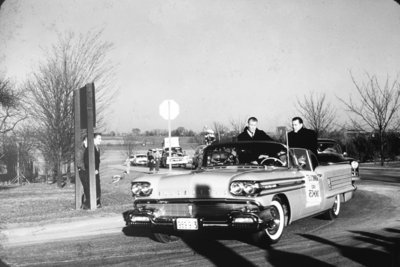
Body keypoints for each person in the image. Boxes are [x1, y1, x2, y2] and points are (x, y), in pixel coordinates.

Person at [84, 132, 103, 208]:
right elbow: (86, 161)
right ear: (93, 139)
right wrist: (93, 169)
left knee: (97, 187)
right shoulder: (90, 149)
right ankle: (89, 204)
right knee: (93, 187)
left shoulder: (97, 148)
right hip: (91, 172)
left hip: (96, 171)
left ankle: (97, 202)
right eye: (99, 138)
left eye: (101, 139)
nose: (100, 140)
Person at [77, 136, 89, 209]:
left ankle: (87, 203)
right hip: (83, 171)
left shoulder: (90, 150)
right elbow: (79, 162)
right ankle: (84, 204)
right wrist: (86, 168)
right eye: (87, 141)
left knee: (88, 187)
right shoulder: (81, 150)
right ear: (84, 141)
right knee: (86, 187)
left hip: (88, 171)